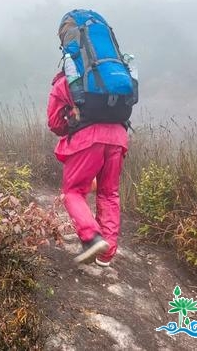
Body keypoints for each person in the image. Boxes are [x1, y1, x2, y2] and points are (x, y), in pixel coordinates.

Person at [47, 70, 129, 266]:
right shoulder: (116, 72)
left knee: (72, 192)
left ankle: (92, 238)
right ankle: (106, 254)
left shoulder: (68, 79)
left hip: (88, 138)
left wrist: (72, 125)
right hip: (118, 137)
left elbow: (54, 123)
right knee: (109, 193)